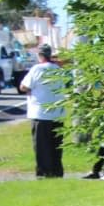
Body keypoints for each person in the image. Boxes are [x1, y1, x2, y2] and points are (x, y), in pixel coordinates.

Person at [18, 45, 68, 178]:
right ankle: (57, 171)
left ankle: (44, 172)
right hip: (58, 113)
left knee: (41, 146)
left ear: (40, 56)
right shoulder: (59, 70)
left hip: (40, 113)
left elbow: (24, 86)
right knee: (56, 145)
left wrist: (30, 90)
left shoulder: (37, 69)